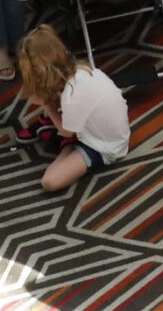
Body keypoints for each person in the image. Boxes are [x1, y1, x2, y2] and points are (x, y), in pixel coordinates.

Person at [15, 22, 130, 192]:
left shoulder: (72, 95)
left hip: (105, 147)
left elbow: (68, 131)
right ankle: (51, 126)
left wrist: (47, 105)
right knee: (52, 96)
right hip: (112, 132)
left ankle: (67, 145)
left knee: (50, 181)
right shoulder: (81, 69)